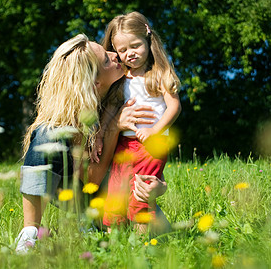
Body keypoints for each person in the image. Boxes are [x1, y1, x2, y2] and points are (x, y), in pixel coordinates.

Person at [15, 34, 168, 253]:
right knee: (44, 135)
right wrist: (114, 126)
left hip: (120, 190)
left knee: (163, 235)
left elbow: (148, 155)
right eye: (106, 59)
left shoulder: (130, 90)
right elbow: (92, 179)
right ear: (96, 82)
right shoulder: (69, 118)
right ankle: (30, 233)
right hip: (81, 190)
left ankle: (91, 225)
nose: (115, 55)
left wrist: (160, 186)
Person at [98, 12, 181, 233]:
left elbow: (174, 106)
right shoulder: (121, 79)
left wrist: (155, 129)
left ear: (147, 38)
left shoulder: (159, 74)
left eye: (135, 46)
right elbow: (112, 110)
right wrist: (100, 133)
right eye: (122, 50)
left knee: (141, 192)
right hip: (124, 145)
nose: (129, 54)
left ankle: (142, 243)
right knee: (116, 191)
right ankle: (114, 242)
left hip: (151, 145)